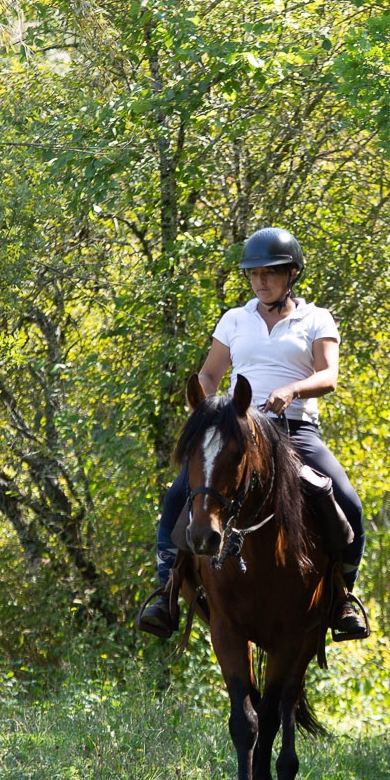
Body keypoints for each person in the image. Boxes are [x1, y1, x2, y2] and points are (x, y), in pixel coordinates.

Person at [136, 228, 369, 642]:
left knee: (346, 499)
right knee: (179, 494)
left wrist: (293, 389)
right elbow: (209, 375)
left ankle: (343, 596)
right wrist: (212, 408)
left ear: (291, 274)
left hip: (294, 430)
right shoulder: (235, 319)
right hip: (238, 429)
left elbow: (329, 375)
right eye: (253, 274)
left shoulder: (316, 319)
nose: (260, 281)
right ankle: (165, 590)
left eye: (270, 273)